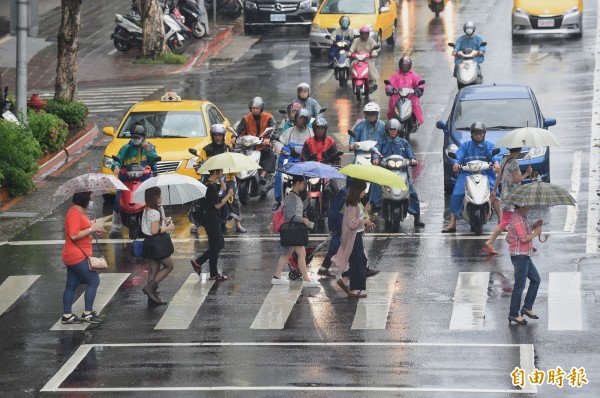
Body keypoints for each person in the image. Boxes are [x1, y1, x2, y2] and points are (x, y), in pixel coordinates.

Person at [442, 122, 502, 233]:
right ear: (471, 134)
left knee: (495, 193)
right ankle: (452, 224)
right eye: (475, 133)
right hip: (467, 174)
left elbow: (495, 155)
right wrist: (456, 163)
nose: (478, 136)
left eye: (480, 133)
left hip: (486, 173)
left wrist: (496, 162)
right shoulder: (466, 145)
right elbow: (458, 155)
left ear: (484, 134)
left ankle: (501, 221)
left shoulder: (488, 145)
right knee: (456, 194)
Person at [318, 178, 380, 279]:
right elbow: (337, 210)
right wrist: (333, 226)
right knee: (342, 248)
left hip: (345, 227)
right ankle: (353, 273)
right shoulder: (346, 193)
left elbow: (358, 212)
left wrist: (365, 216)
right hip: (343, 227)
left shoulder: (350, 193)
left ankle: (355, 270)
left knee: (349, 249)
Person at [372, 119, 425, 228]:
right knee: (375, 188)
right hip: (385, 174)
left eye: (394, 130)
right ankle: (374, 209)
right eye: (391, 129)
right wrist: (375, 158)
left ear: (398, 130)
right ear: (387, 130)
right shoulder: (382, 142)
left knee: (412, 192)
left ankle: (417, 216)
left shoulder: (403, 142)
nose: (392, 131)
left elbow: (410, 153)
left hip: (401, 174)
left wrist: (412, 160)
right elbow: (376, 151)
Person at [194, 124, 246, 234]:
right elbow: (199, 163)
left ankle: (238, 223)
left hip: (227, 178)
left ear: (223, 136)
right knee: (198, 198)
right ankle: (197, 223)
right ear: (212, 136)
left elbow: (233, 163)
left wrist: (230, 174)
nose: (218, 137)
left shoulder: (228, 149)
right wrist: (198, 166)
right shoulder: (206, 149)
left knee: (233, 198)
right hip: (211, 178)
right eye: (216, 135)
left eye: (220, 135)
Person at [61, 191, 104, 324]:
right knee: (93, 281)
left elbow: (84, 227)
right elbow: (74, 235)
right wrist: (91, 229)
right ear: (84, 199)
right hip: (77, 256)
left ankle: (67, 315)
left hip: (73, 255)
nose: (91, 201)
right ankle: (88, 313)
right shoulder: (74, 213)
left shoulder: (78, 211)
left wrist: (94, 227)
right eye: (91, 198)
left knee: (71, 286)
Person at [109, 123, 159, 236]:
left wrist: (149, 150)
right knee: (117, 201)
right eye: (134, 137)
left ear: (143, 137)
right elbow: (117, 160)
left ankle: (158, 225)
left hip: (144, 180)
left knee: (155, 202)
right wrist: (116, 166)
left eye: (138, 137)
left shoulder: (149, 147)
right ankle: (116, 229)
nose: (135, 139)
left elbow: (154, 162)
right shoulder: (126, 148)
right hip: (127, 179)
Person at [272, 175, 320, 288]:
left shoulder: (294, 196)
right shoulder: (292, 197)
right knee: (301, 253)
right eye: (303, 183)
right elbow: (290, 215)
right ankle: (307, 279)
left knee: (287, 253)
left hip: (293, 230)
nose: (304, 186)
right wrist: (303, 219)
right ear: (298, 183)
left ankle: (277, 276)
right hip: (293, 230)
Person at [483, 147, 533, 254]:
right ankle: (490, 241)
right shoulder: (514, 162)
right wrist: (527, 173)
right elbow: (516, 179)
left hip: (506, 194)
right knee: (506, 220)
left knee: (517, 216)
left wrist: (494, 190)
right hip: (512, 196)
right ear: (519, 151)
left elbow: (499, 176)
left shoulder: (505, 159)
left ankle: (513, 237)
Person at [332, 179, 374, 298]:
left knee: (359, 262)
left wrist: (366, 222)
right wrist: (364, 221)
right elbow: (352, 223)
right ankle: (353, 290)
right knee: (358, 262)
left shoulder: (357, 204)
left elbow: (357, 223)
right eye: (363, 191)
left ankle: (346, 281)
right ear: (358, 191)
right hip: (353, 238)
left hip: (357, 236)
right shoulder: (351, 205)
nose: (364, 193)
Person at [190, 168, 233, 281]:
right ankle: (213, 273)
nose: (223, 173)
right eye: (221, 171)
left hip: (212, 219)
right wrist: (228, 196)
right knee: (215, 246)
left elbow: (223, 188)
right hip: (211, 219)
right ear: (216, 172)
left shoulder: (210, 184)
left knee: (219, 244)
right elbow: (218, 205)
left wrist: (220, 178)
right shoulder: (211, 187)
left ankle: (198, 262)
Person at [506, 206, 543, 325]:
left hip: (525, 255)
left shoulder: (522, 217)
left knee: (536, 280)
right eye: (527, 203)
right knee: (519, 286)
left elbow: (523, 232)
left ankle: (527, 307)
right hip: (520, 256)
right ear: (522, 205)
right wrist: (536, 233)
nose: (529, 205)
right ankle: (513, 314)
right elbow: (523, 239)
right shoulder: (518, 219)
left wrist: (533, 226)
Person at [273, 108, 314, 211]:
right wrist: (278, 147)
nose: (300, 121)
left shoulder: (311, 133)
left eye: (303, 119)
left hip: (305, 161)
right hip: (290, 160)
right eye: (299, 118)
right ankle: (278, 201)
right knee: (279, 176)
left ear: (307, 120)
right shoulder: (289, 131)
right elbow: (279, 142)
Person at [140, 186, 175, 305]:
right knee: (169, 266)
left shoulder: (147, 209)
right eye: (159, 195)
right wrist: (168, 227)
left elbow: (152, 227)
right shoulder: (154, 212)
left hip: (148, 243)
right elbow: (155, 231)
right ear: (154, 197)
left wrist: (163, 221)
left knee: (154, 270)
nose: (161, 197)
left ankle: (152, 299)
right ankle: (149, 288)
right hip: (156, 244)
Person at [235, 96, 277, 185]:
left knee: (270, 153)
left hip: (263, 145)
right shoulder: (246, 118)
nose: (254, 110)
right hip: (249, 146)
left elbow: (273, 128)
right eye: (253, 108)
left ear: (261, 108)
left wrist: (268, 138)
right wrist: (233, 136)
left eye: (257, 108)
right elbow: (239, 128)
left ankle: (263, 174)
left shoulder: (269, 117)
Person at [385, 56, 425, 130]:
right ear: (400, 65)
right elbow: (389, 83)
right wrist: (389, 89)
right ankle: (391, 121)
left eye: (407, 65)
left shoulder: (413, 75)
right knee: (392, 106)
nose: (405, 67)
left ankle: (415, 121)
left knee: (415, 105)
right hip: (397, 97)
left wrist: (419, 89)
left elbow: (419, 82)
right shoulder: (396, 75)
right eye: (403, 65)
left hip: (410, 97)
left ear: (409, 66)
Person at [349, 26, 379, 93]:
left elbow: (375, 49)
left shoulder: (371, 41)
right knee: (351, 66)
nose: (364, 35)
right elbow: (352, 49)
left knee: (370, 68)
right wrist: (350, 53)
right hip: (357, 60)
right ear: (360, 34)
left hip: (368, 60)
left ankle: (372, 83)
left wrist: (374, 53)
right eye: (362, 33)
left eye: (366, 33)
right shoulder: (356, 40)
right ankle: (353, 79)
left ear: (368, 34)